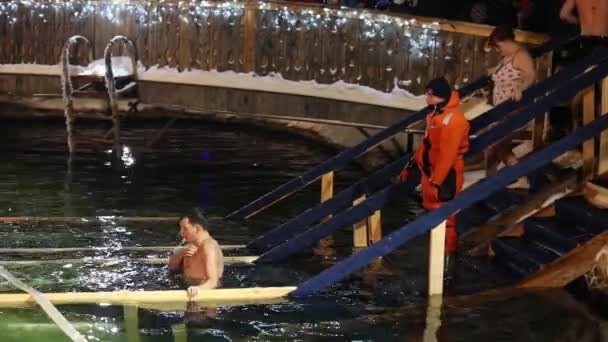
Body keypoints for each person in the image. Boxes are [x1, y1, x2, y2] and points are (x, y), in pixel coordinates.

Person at [411, 77, 470, 256]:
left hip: (445, 174)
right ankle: (438, 252)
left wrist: (437, 180)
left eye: (431, 95)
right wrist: (415, 163)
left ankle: (447, 256)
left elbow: (448, 154)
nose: (427, 98)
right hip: (431, 172)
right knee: (434, 211)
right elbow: (427, 144)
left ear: (441, 96)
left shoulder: (454, 120)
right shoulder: (435, 115)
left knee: (446, 215)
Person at [485, 25, 536, 189]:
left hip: (512, 111)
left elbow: (529, 75)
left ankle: (489, 182)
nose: (497, 50)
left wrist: (521, 87)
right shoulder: (507, 56)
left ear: (506, 42)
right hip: (501, 111)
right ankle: (520, 178)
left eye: (498, 46)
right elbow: (504, 73)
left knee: (492, 146)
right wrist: (493, 72)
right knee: (502, 149)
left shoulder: (521, 55)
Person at [169, 211, 224, 299]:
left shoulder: (208, 246)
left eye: (185, 228)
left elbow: (213, 281)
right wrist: (182, 252)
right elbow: (171, 268)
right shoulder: (190, 245)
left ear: (197, 228)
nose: (181, 232)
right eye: (181, 228)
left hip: (203, 296)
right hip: (186, 287)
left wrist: (198, 289)